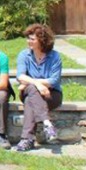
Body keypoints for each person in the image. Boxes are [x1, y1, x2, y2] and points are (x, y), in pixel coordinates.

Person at [14, 24, 64, 152]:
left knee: (29, 101)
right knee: (31, 89)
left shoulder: (54, 57)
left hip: (51, 95)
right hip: (31, 91)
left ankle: (27, 140)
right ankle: (47, 123)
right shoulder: (24, 55)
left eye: (32, 39)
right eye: (28, 38)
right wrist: (38, 85)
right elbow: (20, 76)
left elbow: (54, 80)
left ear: (42, 41)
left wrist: (30, 82)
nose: (28, 41)